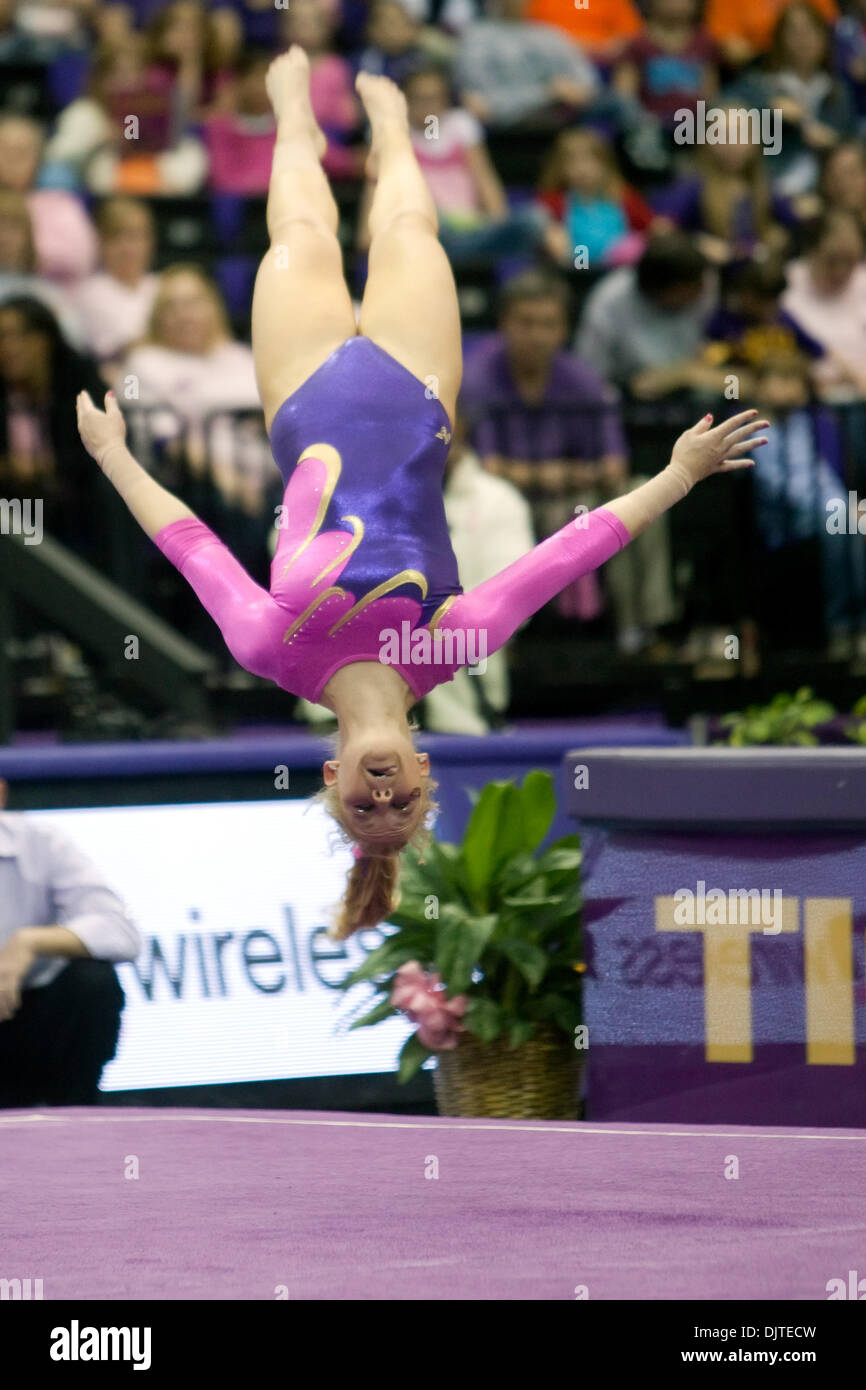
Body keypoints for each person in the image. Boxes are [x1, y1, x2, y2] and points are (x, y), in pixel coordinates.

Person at [75, 46, 770, 938]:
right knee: (405, 233)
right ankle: (395, 127)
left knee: (300, 238)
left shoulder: (273, 649)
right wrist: (677, 475)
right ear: (423, 767)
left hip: (301, 395)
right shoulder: (447, 645)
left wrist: (112, 456)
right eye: (401, 805)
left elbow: (192, 543)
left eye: (365, 813)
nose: (383, 799)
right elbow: (571, 551)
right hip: (416, 390)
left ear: (331, 778)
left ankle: (293, 108)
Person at [0, 777, 140, 1107]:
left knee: (92, 981)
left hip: (27, 1021)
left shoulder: (42, 842)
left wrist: (29, 941)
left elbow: (120, 930)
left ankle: (75, 1119)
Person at [356, 61, 567, 264]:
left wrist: (499, 224)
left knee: (536, 218)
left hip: (474, 227)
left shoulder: (461, 125)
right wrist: (370, 234)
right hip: (429, 230)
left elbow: (485, 181)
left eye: (435, 98)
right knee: (432, 220)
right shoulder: (393, 135)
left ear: (446, 100)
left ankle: (468, 252)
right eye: (420, 99)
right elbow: (374, 192)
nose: (428, 107)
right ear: (405, 101)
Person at [781, 208, 866, 399]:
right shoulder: (785, 285)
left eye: (851, 260)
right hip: (808, 399)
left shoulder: (863, 281)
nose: (841, 271)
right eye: (832, 260)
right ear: (811, 250)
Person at [72, 197, 158, 368]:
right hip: (123, 382)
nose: (127, 248)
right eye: (116, 237)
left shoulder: (163, 286)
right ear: (100, 243)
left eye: (135, 237)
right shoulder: (90, 293)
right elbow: (120, 351)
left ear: (150, 242)